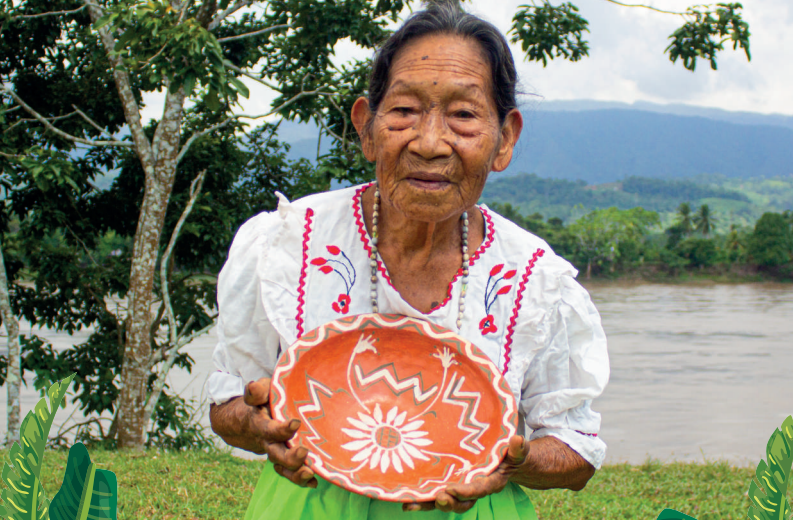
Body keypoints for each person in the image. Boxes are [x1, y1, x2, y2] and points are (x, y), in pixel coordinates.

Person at [207, 3, 609, 519]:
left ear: (504, 138)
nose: (429, 142)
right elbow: (226, 406)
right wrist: (262, 425)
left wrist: (513, 458)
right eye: (404, 111)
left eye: (464, 115)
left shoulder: (535, 281)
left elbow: (576, 452)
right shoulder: (288, 246)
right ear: (367, 127)